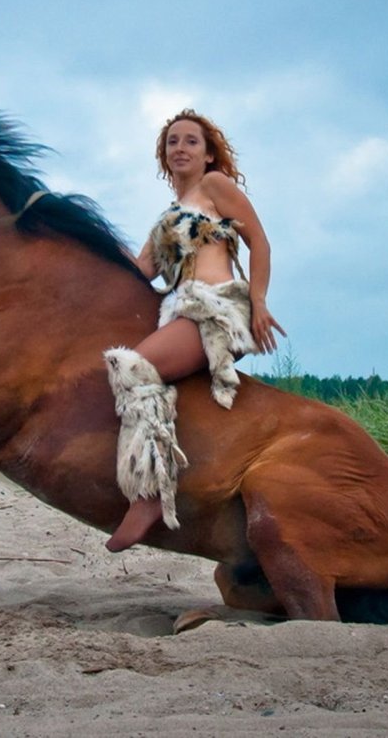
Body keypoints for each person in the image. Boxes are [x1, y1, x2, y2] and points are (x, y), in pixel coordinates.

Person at [105, 110, 285, 552]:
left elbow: (260, 242)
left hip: (218, 308)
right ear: (164, 155)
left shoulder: (215, 186)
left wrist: (259, 301)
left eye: (191, 141)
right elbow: (140, 271)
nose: (180, 148)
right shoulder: (166, 220)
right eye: (173, 142)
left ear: (208, 155)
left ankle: (150, 493)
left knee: (135, 368)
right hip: (181, 310)